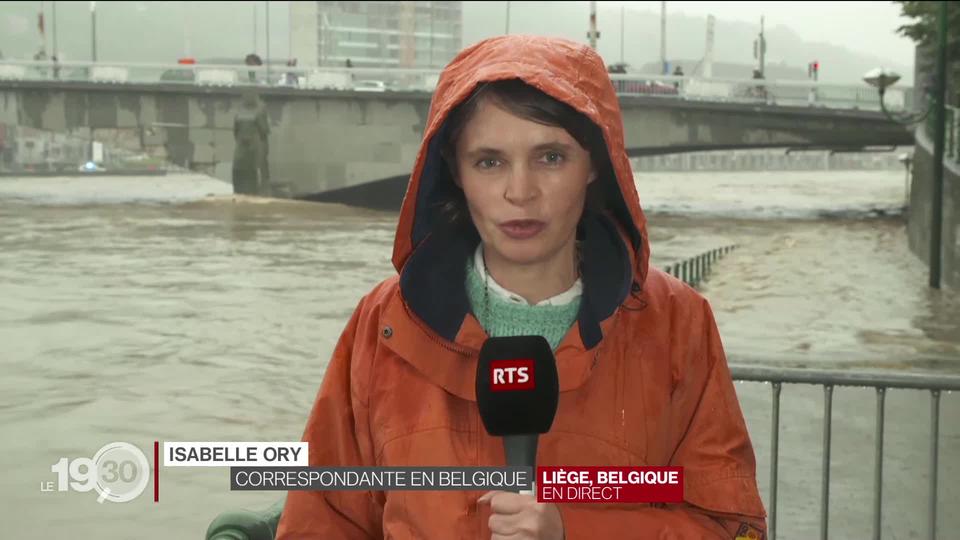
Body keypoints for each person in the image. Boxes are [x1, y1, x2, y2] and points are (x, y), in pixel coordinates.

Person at [277, 35, 766, 539]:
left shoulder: (677, 325)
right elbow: (320, 521)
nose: (520, 192)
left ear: (596, 163)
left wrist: (572, 529)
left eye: (550, 157)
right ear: (454, 170)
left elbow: (734, 528)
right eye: (489, 161)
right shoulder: (382, 325)